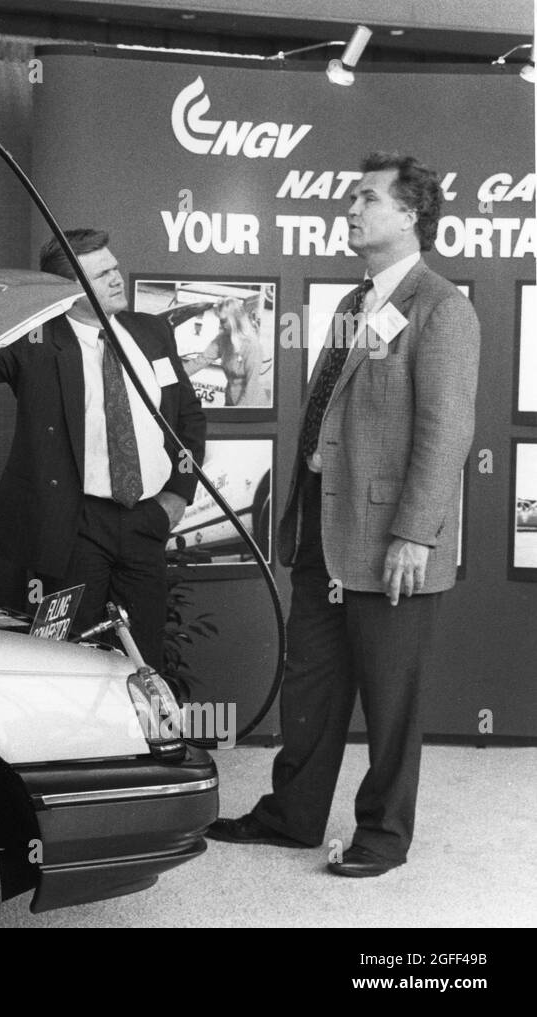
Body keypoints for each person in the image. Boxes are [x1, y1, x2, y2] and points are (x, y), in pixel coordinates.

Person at [207, 153, 480, 877]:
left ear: (410, 214)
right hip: (324, 541)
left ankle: (383, 837)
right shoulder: (355, 304)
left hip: (394, 546)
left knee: (391, 706)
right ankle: (293, 816)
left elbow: (446, 432)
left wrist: (414, 534)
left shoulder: (442, 307)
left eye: (366, 198)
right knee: (311, 694)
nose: (351, 209)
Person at [0, 230, 206, 668]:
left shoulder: (153, 331)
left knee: (144, 658)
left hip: (145, 520)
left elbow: (189, 419)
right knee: (70, 659)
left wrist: (176, 497)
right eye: (102, 276)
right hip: (74, 527)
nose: (118, 279)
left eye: (114, 267)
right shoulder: (35, 342)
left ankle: (138, 738)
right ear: (68, 289)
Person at [183, 296, 267, 407]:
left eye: (223, 321)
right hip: (230, 400)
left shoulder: (252, 346)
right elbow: (200, 361)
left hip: (252, 405)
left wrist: (236, 414)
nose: (220, 325)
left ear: (235, 319)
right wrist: (175, 375)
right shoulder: (223, 339)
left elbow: (251, 387)